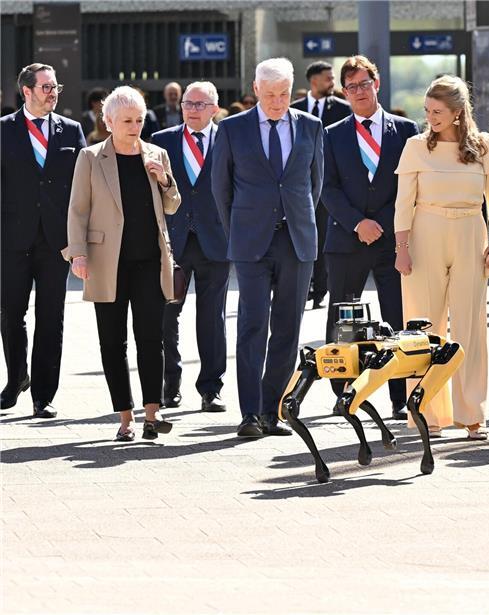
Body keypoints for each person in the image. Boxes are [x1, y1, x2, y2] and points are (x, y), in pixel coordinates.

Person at [211, 58, 324, 438]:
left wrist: (297, 221)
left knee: (288, 329)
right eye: (270, 94)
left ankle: (271, 412)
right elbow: (220, 189)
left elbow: (314, 185)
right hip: (250, 241)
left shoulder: (310, 126)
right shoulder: (231, 129)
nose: (277, 102)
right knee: (252, 324)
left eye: (285, 94)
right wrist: (239, 231)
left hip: (296, 241)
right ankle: (248, 414)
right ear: (256, 89)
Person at [394, 75, 489, 440]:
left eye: (438, 111)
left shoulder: (485, 145)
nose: (431, 117)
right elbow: (403, 202)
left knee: (469, 328)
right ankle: (426, 412)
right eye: (427, 110)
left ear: (458, 113)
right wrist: (401, 249)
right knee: (422, 327)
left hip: (471, 234)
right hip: (425, 233)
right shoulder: (415, 146)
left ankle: (472, 413)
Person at [65, 86, 181, 441]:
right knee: (112, 342)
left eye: (139, 119)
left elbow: (173, 204)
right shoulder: (90, 156)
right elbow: (78, 208)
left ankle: (152, 413)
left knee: (151, 338)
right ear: (109, 121)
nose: (134, 126)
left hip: (149, 261)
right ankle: (125, 418)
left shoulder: (157, 153)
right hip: (106, 262)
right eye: (127, 120)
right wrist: (77, 252)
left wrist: (163, 178)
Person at [322, 55, 419, 420]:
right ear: (344, 92)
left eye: (365, 84)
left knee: (397, 316)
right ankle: (343, 391)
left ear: (377, 84)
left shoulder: (406, 130)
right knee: (343, 321)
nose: (359, 92)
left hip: (393, 239)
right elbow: (327, 188)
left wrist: (380, 221)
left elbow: (410, 186)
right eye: (351, 87)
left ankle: (399, 395)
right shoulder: (331, 134)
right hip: (346, 241)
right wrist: (357, 223)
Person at [0, 63, 86, 418]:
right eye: (47, 87)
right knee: (9, 315)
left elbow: (84, 187)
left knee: (52, 317)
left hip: (57, 241)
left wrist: (81, 241)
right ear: (27, 91)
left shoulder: (71, 130)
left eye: (55, 87)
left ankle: (43, 395)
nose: (53, 93)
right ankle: (16, 377)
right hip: (11, 240)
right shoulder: (3, 130)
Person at [152, 81, 230, 413]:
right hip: (174, 241)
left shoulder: (229, 139)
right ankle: (170, 386)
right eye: (189, 103)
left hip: (217, 241)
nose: (193, 110)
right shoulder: (161, 141)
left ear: (215, 108)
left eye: (201, 104)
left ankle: (211, 388)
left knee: (212, 318)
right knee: (166, 316)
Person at [292, 61, 352, 310]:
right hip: (298, 186)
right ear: (313, 80)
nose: (332, 82)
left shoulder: (342, 109)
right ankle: (303, 287)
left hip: (329, 184)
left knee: (324, 236)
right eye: (328, 78)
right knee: (301, 235)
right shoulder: (292, 110)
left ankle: (321, 289)